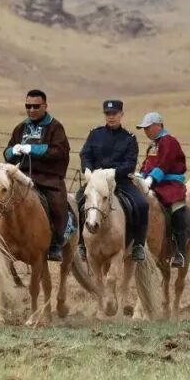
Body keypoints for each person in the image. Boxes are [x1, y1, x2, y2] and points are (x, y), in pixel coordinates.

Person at [77, 99, 149, 262]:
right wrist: (87, 169)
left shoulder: (129, 138)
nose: (111, 117)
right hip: (96, 182)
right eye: (108, 114)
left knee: (142, 204)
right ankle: (81, 243)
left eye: (114, 113)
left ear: (121, 114)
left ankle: (138, 245)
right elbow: (85, 154)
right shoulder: (95, 134)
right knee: (79, 200)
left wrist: (114, 172)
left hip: (120, 182)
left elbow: (130, 163)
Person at [4, 89, 71, 262]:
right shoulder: (20, 128)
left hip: (48, 178)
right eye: (28, 106)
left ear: (45, 106)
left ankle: (57, 242)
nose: (31, 110)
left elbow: (60, 151)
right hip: (21, 176)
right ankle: (3, 239)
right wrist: (13, 151)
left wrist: (33, 149)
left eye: (36, 106)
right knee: (0, 198)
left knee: (58, 204)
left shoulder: (55, 127)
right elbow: (7, 153)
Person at [136, 111, 189, 268]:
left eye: (148, 127)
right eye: (144, 129)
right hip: (153, 183)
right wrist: (140, 176)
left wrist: (151, 179)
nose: (146, 131)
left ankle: (180, 251)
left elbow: (164, 163)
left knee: (177, 209)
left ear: (158, 125)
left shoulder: (169, 141)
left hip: (171, 184)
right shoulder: (154, 145)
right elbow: (146, 165)